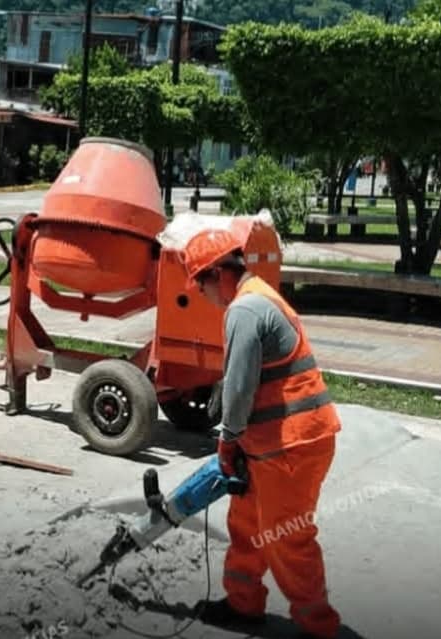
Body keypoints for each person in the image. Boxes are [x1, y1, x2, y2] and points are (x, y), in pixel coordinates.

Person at [181, 227, 343, 639]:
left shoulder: (245, 309)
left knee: (287, 537)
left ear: (218, 273)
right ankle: (243, 603)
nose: (203, 294)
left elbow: (238, 389)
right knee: (248, 522)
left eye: (201, 284)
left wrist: (227, 441)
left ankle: (319, 627)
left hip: (292, 445)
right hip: (277, 445)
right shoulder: (261, 296)